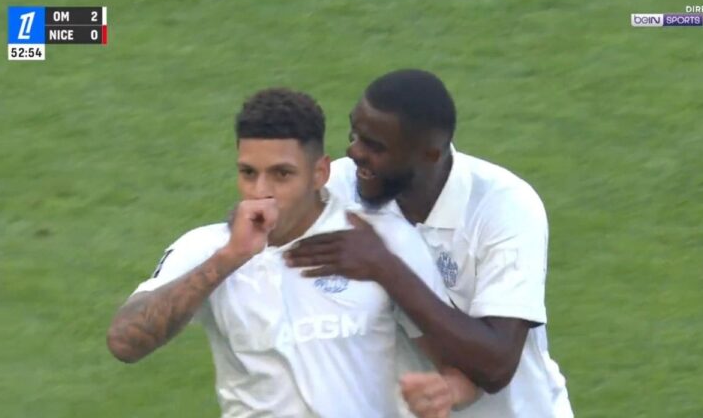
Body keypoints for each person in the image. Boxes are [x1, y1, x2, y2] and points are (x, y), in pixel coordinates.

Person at [106, 87, 475, 417]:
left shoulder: (381, 242)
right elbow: (124, 343)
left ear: (319, 173)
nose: (260, 191)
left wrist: (446, 391)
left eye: (281, 174)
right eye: (248, 173)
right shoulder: (208, 249)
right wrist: (229, 258)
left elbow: (463, 369)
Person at [285, 70, 574, 417]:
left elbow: (496, 365)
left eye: (375, 146)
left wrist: (384, 267)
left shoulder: (504, 208)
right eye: (354, 134)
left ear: (431, 155)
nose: (354, 151)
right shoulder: (337, 188)